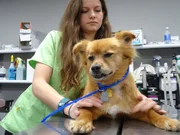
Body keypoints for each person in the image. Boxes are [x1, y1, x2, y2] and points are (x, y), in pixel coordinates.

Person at [0, 0, 166, 134]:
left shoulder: (111, 46)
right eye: (84, 10)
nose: (92, 15)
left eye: (97, 10)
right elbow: (38, 84)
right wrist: (69, 106)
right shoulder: (55, 39)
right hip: (28, 121)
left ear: (103, 15)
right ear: (74, 15)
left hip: (62, 124)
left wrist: (139, 101)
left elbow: (118, 84)